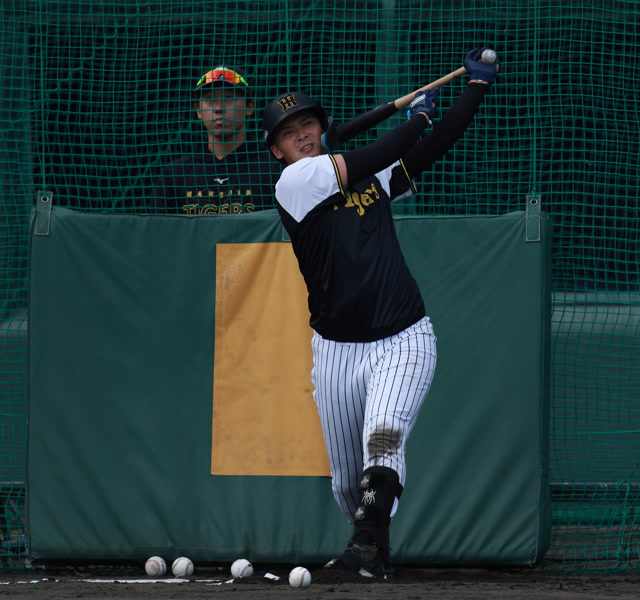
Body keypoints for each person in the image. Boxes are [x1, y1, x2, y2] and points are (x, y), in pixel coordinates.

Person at [260, 48, 499, 579]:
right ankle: (371, 550)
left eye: (308, 125)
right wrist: (416, 118)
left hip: (403, 336)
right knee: (348, 483)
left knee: (384, 438)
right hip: (336, 350)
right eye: (289, 133)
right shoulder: (293, 185)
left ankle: (366, 549)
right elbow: (384, 149)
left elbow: (430, 148)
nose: (302, 135)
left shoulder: (366, 176)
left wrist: (475, 89)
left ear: (322, 129)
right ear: (277, 151)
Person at [152, 65, 282, 214]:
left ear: (249, 106)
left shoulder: (275, 168)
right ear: (198, 110)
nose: (219, 108)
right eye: (210, 99)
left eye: (229, 98)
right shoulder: (173, 175)